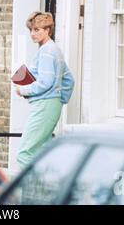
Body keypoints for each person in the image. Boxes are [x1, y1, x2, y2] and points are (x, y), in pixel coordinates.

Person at [15, 11, 75, 169]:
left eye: (37, 29)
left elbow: (45, 82)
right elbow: (69, 80)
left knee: (24, 153)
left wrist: (23, 90)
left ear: (48, 30)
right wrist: (59, 100)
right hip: (50, 105)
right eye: (31, 30)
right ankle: (46, 191)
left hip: (44, 105)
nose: (33, 34)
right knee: (41, 154)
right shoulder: (54, 50)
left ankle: (30, 194)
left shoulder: (47, 51)